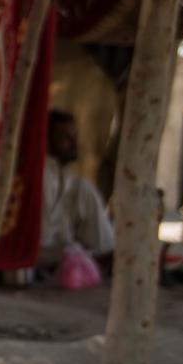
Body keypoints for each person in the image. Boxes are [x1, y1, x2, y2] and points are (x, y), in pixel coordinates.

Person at [41, 109, 114, 268]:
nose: (74, 143)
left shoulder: (68, 178)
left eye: (74, 136)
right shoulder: (42, 176)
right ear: (47, 140)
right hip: (44, 253)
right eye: (65, 137)